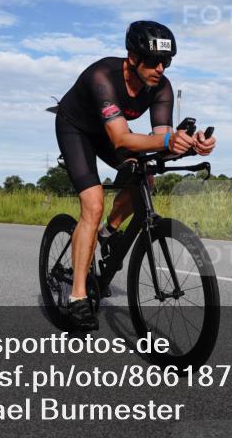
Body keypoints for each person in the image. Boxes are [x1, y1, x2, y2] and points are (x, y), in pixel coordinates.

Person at [53, 20, 216, 330]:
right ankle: (77, 297)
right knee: (93, 204)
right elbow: (119, 139)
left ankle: (108, 233)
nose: (160, 68)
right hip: (76, 129)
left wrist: (192, 146)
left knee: (145, 177)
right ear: (132, 58)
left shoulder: (161, 87)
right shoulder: (103, 77)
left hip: (111, 132)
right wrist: (169, 141)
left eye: (166, 62)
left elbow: (163, 143)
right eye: (153, 61)